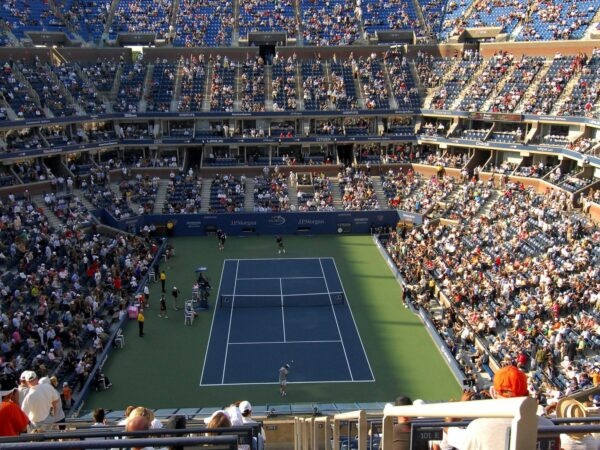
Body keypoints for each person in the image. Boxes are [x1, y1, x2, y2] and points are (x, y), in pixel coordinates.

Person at [449, 364, 555, 450]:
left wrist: (457, 410)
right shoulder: (549, 427)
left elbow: (449, 432)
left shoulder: (478, 427)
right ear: (526, 395)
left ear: (494, 393)